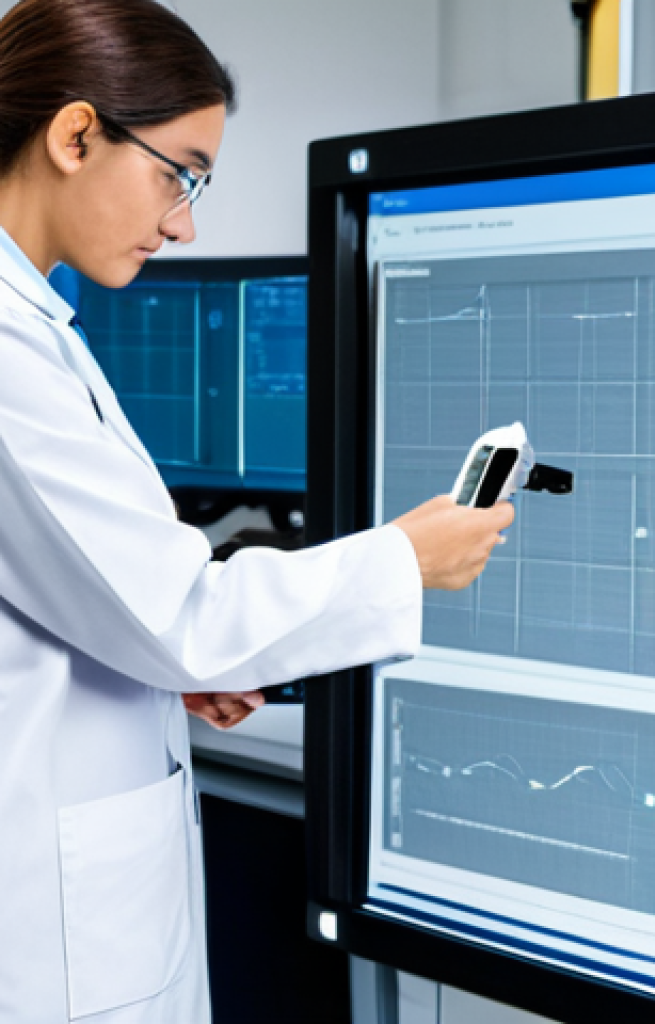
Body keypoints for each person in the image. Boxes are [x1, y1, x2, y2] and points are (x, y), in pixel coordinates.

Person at [0, 0, 514, 1021]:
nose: (184, 220)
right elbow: (181, 615)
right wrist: (405, 559)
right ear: (74, 135)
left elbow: (89, 592)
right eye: (178, 173)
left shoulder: (37, 325)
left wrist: (155, 674)